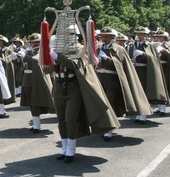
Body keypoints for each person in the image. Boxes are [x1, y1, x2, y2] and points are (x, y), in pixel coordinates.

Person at [50, 33, 119, 162]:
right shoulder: (56, 49)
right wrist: (49, 60)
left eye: (67, 34)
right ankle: (64, 148)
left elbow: (76, 66)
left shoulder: (80, 49)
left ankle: (71, 149)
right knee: (61, 121)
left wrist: (58, 57)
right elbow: (47, 70)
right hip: (59, 88)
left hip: (73, 88)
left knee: (70, 119)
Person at [95, 27, 151, 140]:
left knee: (109, 105)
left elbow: (119, 65)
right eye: (102, 36)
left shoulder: (119, 49)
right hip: (99, 80)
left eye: (106, 36)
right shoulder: (97, 48)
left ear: (112, 37)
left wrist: (106, 59)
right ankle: (103, 126)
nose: (103, 38)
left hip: (112, 81)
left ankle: (109, 129)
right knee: (100, 104)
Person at [17, 33, 55, 133]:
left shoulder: (44, 52)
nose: (34, 44)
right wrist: (19, 59)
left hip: (39, 81)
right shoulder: (29, 52)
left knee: (38, 101)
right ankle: (36, 123)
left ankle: (37, 125)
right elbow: (23, 66)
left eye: (36, 42)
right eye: (32, 42)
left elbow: (38, 62)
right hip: (28, 79)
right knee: (31, 103)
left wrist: (26, 57)